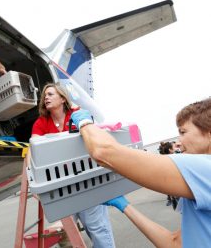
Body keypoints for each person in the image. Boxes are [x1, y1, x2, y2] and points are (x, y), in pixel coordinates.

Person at [71, 98, 211, 247]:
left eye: (183, 132)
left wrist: (85, 123)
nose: (179, 141)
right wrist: (125, 206)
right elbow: (174, 243)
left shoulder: (204, 168)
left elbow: (103, 152)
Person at [31, 83, 116, 248]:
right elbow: (32, 151)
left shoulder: (76, 114)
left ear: (62, 98)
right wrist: (35, 182)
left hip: (87, 181)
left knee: (97, 228)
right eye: (44, 96)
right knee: (66, 236)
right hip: (62, 186)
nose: (45, 98)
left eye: (50, 94)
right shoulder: (41, 122)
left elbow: (94, 136)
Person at [158, 141, 181, 209]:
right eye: (174, 147)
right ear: (170, 150)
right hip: (177, 187)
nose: (176, 147)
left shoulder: (165, 159)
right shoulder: (174, 158)